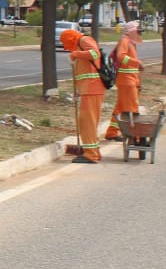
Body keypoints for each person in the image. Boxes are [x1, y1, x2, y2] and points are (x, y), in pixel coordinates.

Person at [60, 27, 105, 163]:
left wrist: (76, 54)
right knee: (88, 122)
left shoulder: (85, 40)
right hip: (88, 90)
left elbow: (95, 54)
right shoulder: (80, 45)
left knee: (87, 123)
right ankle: (94, 151)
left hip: (92, 89)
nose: (66, 47)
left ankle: (91, 154)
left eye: (65, 43)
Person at [104, 20, 144, 142]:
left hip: (130, 80)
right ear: (131, 31)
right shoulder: (125, 41)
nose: (139, 34)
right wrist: (137, 63)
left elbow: (131, 68)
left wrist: (138, 83)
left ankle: (111, 132)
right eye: (138, 31)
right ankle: (135, 136)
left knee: (120, 108)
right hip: (126, 81)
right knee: (132, 108)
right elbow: (121, 57)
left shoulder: (130, 42)